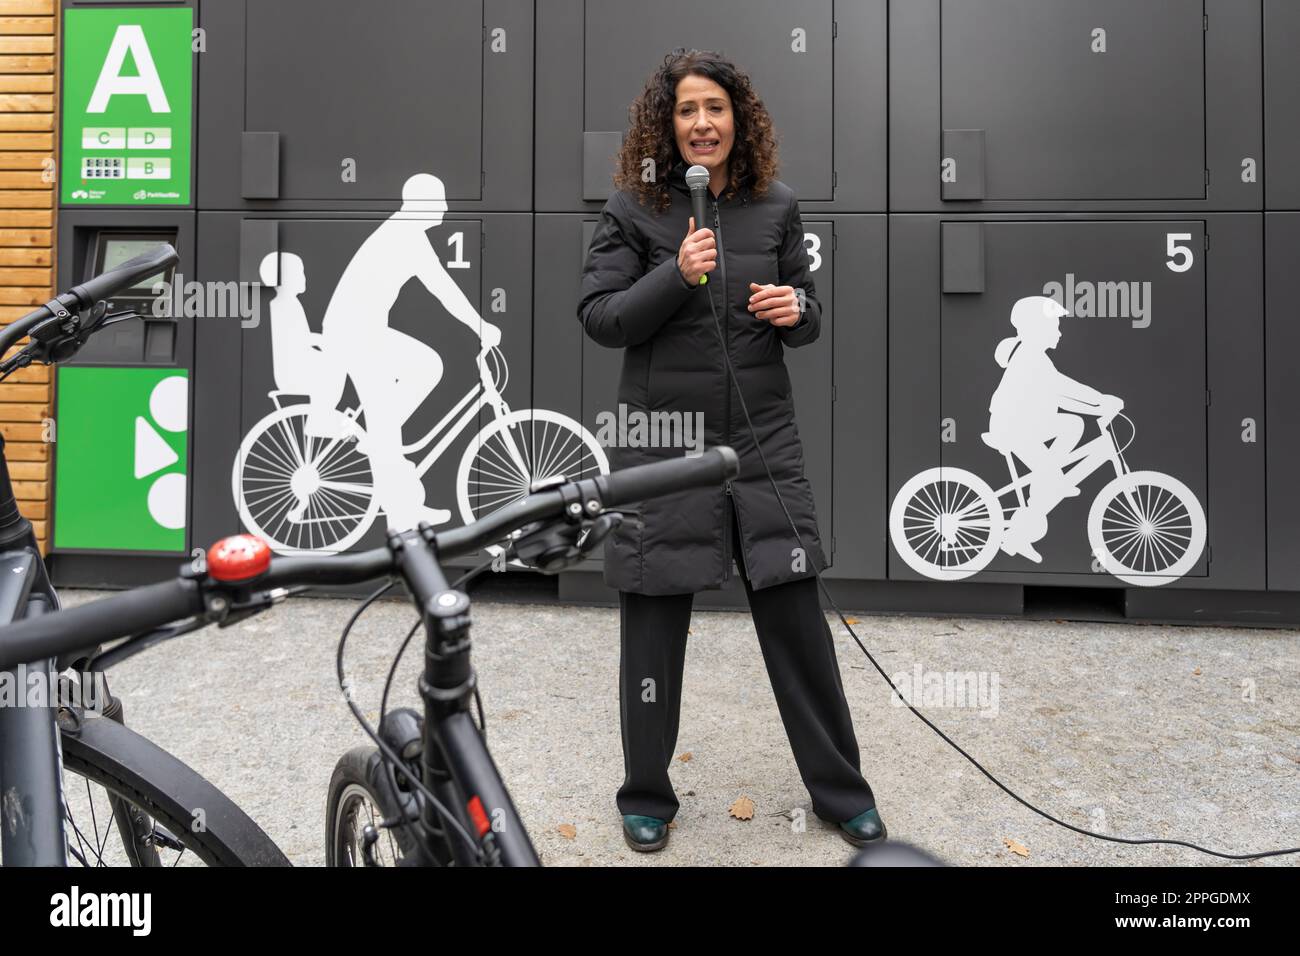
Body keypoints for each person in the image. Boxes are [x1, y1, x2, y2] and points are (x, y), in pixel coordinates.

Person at [577, 49, 885, 852]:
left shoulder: (777, 206)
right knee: (651, 621)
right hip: (661, 443)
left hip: (761, 441)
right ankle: (646, 793)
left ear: (737, 120)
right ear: (665, 124)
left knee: (796, 617)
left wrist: (797, 310)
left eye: (715, 108)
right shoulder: (632, 208)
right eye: (686, 110)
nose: (702, 123)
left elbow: (809, 315)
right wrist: (675, 274)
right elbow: (603, 318)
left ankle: (841, 792)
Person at [311, 173, 503, 532]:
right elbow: (445, 290)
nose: (446, 208)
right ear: (421, 203)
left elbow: (442, 288)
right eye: (439, 201)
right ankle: (401, 509)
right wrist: (481, 326)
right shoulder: (405, 236)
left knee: (426, 365)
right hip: (354, 333)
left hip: (364, 329)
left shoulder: (405, 232)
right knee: (385, 421)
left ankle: (390, 458)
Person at [987, 295, 1124, 562]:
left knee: (1071, 424)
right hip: (1014, 429)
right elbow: (1063, 388)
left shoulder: (1036, 358)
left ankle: (1019, 533)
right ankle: (1049, 482)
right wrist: (1100, 401)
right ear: (1036, 328)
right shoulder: (1030, 358)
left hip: (1026, 426)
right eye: (1054, 326)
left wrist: (1097, 407)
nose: (1060, 332)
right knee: (1051, 473)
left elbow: (1060, 397)